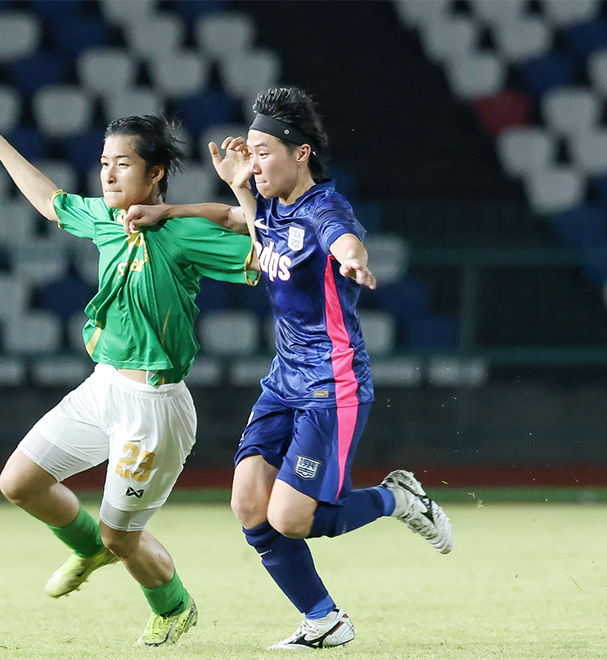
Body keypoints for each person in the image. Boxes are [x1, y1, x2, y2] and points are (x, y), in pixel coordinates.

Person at [123, 86, 454, 650]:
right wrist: (171, 209)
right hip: (285, 379)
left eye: (263, 152)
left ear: (300, 153)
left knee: (293, 519)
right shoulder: (269, 203)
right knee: (249, 504)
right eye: (248, 151)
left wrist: (353, 259)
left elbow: (343, 239)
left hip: (333, 383)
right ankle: (325, 619)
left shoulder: (325, 207)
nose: (253, 163)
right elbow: (237, 217)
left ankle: (397, 499)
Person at [0, 90, 258, 647]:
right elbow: (50, 200)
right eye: (103, 163)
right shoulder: (106, 218)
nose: (109, 175)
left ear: (156, 172)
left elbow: (267, 257)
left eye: (123, 164)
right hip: (104, 388)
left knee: (124, 539)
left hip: (154, 409)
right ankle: (87, 546)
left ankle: (174, 605)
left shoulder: (182, 234)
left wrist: (236, 197)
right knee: (18, 483)